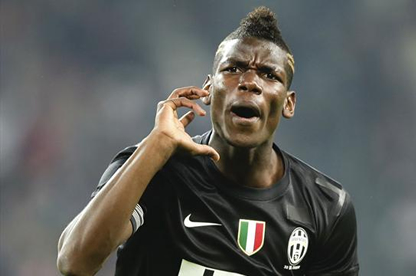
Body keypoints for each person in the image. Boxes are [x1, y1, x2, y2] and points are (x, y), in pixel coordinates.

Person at [57, 6, 359, 276]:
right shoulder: (154, 169)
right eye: (233, 69)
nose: (249, 82)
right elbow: (75, 262)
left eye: (269, 75)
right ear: (208, 90)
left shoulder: (326, 209)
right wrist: (158, 143)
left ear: (288, 104)